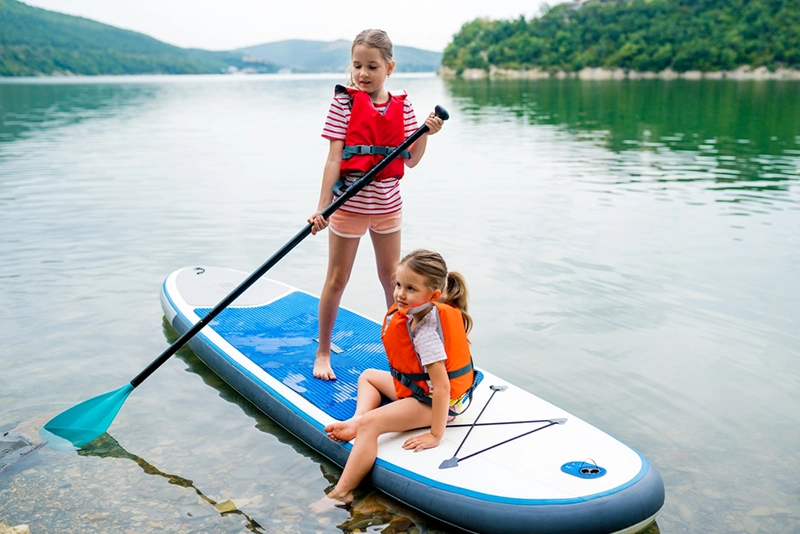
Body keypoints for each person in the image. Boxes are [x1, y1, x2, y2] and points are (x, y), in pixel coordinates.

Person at [308, 29, 445, 381]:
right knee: (337, 279)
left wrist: (426, 134)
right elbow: (334, 159)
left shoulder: (404, 107)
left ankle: (399, 354)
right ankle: (323, 352)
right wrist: (322, 208)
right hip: (349, 207)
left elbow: (411, 160)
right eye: (357, 65)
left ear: (389, 67)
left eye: (371, 66)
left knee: (392, 281)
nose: (363, 73)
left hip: (388, 206)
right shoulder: (344, 102)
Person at [311, 250, 474, 512]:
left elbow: (442, 387)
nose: (399, 294)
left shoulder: (427, 333)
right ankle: (357, 419)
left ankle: (342, 492)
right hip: (419, 392)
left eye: (410, 288)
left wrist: (435, 433)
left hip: (436, 404)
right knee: (369, 377)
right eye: (398, 284)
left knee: (372, 424)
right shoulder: (417, 312)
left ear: (432, 295)